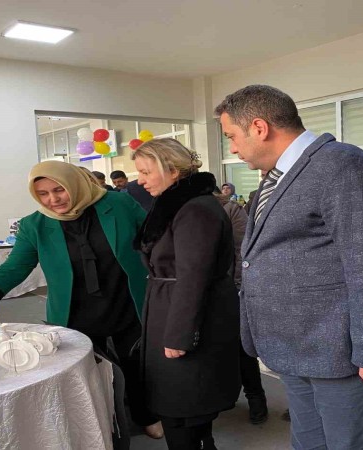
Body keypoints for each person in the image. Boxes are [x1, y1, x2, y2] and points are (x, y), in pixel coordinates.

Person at [216, 84, 363, 450]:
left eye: (231, 137)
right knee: (309, 443)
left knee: (354, 443)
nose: (233, 148)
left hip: (340, 348)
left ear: (259, 127)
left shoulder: (342, 164)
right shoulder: (278, 175)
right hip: (298, 345)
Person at [0, 161, 163, 443]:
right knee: (86, 369)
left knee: (136, 363)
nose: (53, 199)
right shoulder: (35, 225)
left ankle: (146, 414)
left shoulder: (118, 204)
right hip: (75, 310)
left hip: (126, 301)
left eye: (59, 189)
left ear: (75, 183)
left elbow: (154, 240)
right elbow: (14, 267)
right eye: (43, 194)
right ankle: (100, 420)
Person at [132, 138, 240, 450]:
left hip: (185, 316)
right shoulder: (177, 204)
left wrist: (179, 335)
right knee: (183, 401)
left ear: (172, 170)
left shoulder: (195, 209)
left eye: (146, 172)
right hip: (171, 308)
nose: (140, 180)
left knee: (182, 404)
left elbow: (194, 276)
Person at [214, 185, 268, 425]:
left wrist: (237, 285)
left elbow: (243, 251)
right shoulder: (179, 209)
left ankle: (256, 397)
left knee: (241, 346)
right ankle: (225, 395)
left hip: (230, 289)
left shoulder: (229, 209)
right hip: (203, 293)